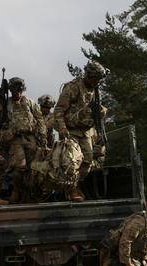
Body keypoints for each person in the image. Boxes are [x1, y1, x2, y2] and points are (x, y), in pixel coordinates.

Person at [54, 61, 107, 201]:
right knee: (72, 161)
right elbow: (59, 110)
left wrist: (101, 112)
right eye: (95, 78)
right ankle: (72, 191)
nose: (97, 82)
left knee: (88, 160)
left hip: (86, 131)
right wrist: (63, 129)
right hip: (71, 130)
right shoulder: (73, 87)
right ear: (89, 76)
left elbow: (94, 109)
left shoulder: (95, 90)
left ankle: (74, 185)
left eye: (99, 79)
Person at [0, 77, 47, 203]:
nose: (18, 93)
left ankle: (31, 193)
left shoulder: (30, 102)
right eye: (15, 90)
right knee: (20, 167)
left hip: (31, 138)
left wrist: (43, 137)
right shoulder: (6, 104)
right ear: (11, 90)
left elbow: (40, 120)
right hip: (15, 139)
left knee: (34, 167)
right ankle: (16, 190)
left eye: (20, 90)